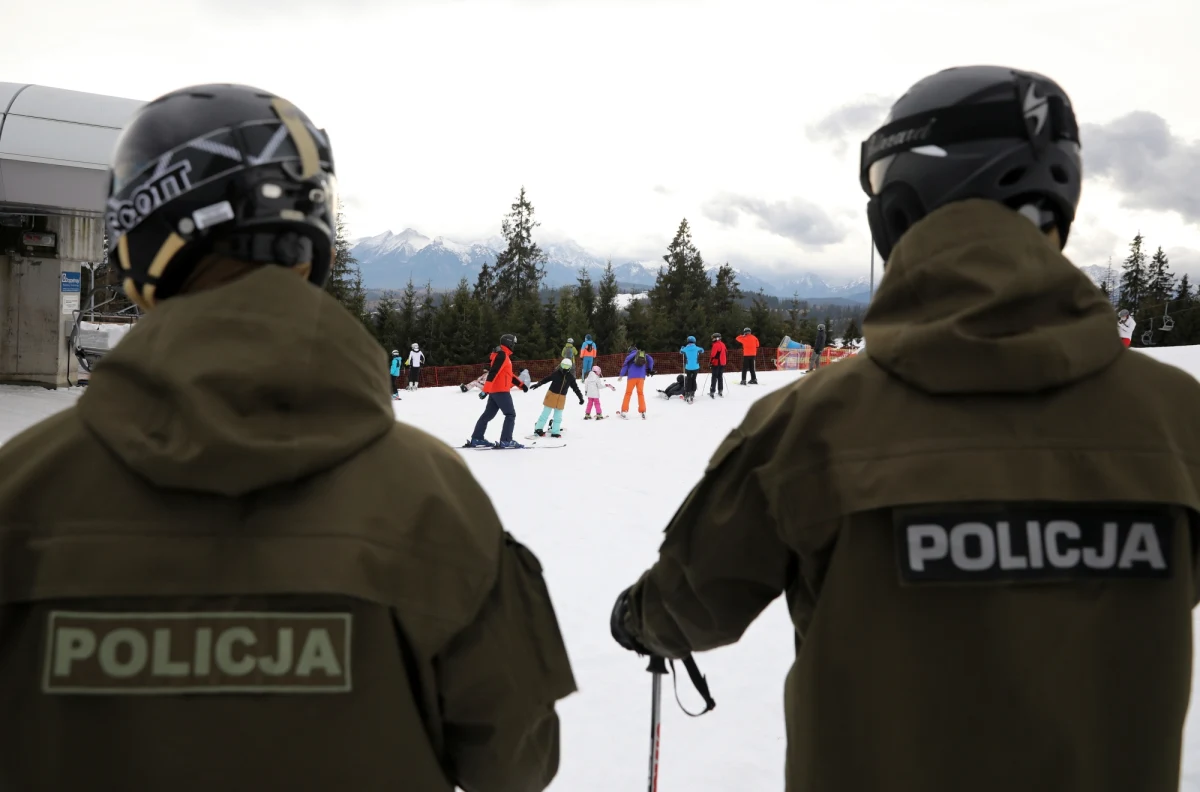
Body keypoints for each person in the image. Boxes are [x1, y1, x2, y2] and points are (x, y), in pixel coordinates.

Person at [608, 65, 1200, 792]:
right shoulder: (1178, 421)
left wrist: (639, 620)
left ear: (902, 209)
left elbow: (696, 595)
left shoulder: (814, 424)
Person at [0, 83, 576, 792]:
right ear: (310, 245)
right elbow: (516, 761)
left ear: (138, 233)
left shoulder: (24, 489)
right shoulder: (433, 498)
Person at [468, 334, 530, 449]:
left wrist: (522, 385)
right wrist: (485, 390)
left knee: (487, 415)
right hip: (501, 391)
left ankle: (477, 438)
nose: (514, 346)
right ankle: (506, 440)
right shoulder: (502, 356)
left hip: (495, 391)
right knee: (510, 414)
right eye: (513, 344)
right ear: (509, 343)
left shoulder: (503, 355)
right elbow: (493, 373)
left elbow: (508, 375)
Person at [530, 358, 585, 438]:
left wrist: (580, 397)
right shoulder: (556, 374)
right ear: (560, 366)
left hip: (561, 398)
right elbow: (547, 379)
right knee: (545, 414)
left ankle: (555, 431)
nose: (564, 368)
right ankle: (538, 429)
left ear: (569, 368)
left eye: (566, 367)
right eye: (563, 366)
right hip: (551, 395)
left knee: (558, 416)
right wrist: (539, 384)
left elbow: (575, 388)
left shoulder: (570, 377)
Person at [617, 344, 655, 419]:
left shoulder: (629, 357)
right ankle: (643, 412)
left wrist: (621, 375)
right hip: (641, 377)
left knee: (628, 393)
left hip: (632, 377)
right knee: (640, 393)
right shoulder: (642, 354)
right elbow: (650, 359)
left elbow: (625, 366)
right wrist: (650, 368)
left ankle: (624, 411)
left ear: (629, 351)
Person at [679, 335, 704, 403]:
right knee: (694, 379)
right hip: (696, 367)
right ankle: (692, 393)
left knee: (688, 379)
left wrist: (682, 348)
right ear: (694, 341)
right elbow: (702, 350)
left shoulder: (685, 349)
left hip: (688, 367)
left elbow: (680, 351)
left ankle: (687, 393)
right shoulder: (697, 348)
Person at [708, 332, 727, 398]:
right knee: (720, 376)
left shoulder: (715, 345)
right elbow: (725, 352)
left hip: (716, 363)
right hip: (723, 363)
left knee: (714, 377)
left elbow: (713, 355)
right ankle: (720, 390)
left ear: (716, 338)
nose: (712, 339)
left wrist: (710, 362)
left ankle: (712, 391)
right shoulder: (723, 344)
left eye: (713, 338)